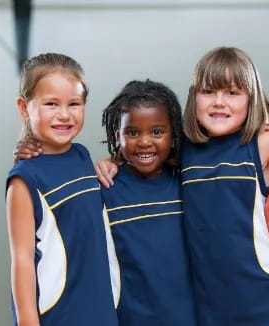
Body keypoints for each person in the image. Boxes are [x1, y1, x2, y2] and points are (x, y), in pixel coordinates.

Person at [94, 46, 269, 326]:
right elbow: (147, 147)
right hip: (213, 308)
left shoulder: (264, 144)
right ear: (195, 98)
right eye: (208, 92)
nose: (219, 102)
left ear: (252, 98)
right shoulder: (189, 149)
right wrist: (113, 159)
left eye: (232, 93)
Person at [5, 53, 118, 326]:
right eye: (51, 104)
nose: (64, 115)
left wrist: (112, 164)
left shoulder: (81, 156)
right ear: (24, 108)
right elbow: (22, 261)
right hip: (60, 316)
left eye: (74, 104)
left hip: (101, 311)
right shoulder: (24, 178)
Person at [100, 79, 196, 325]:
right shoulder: (104, 188)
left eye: (157, 132)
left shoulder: (188, 184)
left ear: (173, 132)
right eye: (132, 132)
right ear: (116, 134)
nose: (144, 142)